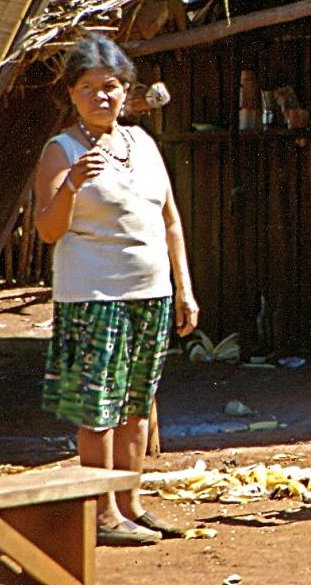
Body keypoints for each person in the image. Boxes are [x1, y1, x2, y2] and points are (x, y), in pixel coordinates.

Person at [34, 35, 199, 546]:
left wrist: (184, 289)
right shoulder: (62, 150)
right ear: (71, 94)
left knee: (135, 403)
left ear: (127, 90)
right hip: (93, 296)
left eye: (110, 87)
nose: (101, 97)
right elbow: (47, 229)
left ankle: (131, 503)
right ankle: (101, 513)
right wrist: (72, 185)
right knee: (97, 408)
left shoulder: (142, 144)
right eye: (88, 89)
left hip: (151, 292)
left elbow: (169, 219)